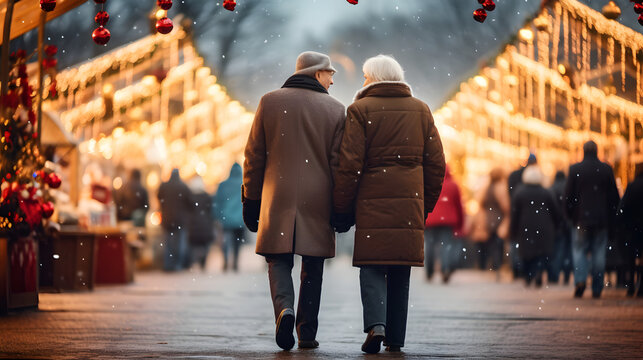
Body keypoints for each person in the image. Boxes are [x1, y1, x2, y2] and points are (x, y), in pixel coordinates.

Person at [332, 55, 445, 354]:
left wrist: (342, 208)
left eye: (365, 77)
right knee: (400, 269)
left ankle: (376, 325)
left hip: (372, 202)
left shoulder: (359, 110)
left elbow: (350, 164)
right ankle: (396, 337)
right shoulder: (421, 110)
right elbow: (436, 165)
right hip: (409, 205)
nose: (363, 82)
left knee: (371, 267)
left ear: (372, 78)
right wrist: (425, 205)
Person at [242, 51, 345, 350]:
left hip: (278, 194)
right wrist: (342, 206)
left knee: (278, 259)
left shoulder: (269, 102)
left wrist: (251, 198)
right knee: (313, 266)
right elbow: (339, 163)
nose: (333, 80)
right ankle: (307, 331)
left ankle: (284, 309)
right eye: (330, 74)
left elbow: (254, 156)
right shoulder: (336, 110)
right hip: (319, 196)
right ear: (316, 73)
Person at [564, 140, 620, 298]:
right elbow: (613, 198)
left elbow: (568, 196)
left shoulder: (575, 169)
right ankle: (597, 286)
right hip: (601, 219)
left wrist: (570, 215)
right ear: (597, 151)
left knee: (579, 250)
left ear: (583, 151)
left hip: (581, 218)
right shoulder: (606, 170)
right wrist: (612, 217)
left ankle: (580, 280)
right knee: (599, 252)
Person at [510, 166, 560, 287]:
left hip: (525, 226)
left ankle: (528, 275)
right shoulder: (546, 192)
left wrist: (513, 229)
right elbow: (555, 211)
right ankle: (538, 273)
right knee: (540, 253)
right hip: (543, 226)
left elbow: (515, 213)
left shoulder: (519, 193)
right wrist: (556, 225)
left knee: (526, 253)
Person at [424, 164, 464, 283]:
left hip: (430, 220)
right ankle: (445, 269)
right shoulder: (453, 185)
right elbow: (459, 206)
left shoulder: (429, 183)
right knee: (445, 246)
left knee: (429, 245)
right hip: (447, 221)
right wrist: (460, 224)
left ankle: (429, 271)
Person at [470, 167, 510, 273]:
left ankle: (489, 265)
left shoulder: (486, 188)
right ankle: (497, 265)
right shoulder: (501, 188)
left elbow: (480, 202)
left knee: (490, 243)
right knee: (498, 243)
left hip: (487, 219)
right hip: (498, 219)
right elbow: (506, 206)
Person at [507, 153, 537, 278]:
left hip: (517, 212)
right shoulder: (535, 178)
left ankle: (516, 267)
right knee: (527, 242)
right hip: (530, 215)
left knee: (515, 240)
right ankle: (525, 269)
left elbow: (509, 192)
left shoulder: (514, 176)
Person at [157, 168, 193, 271]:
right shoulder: (183, 187)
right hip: (180, 220)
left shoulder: (164, 186)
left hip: (167, 219)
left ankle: (167, 264)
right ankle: (178, 264)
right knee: (180, 243)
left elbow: (159, 197)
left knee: (167, 242)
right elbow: (191, 202)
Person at [212, 163, 245, 272]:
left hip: (226, 218)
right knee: (237, 242)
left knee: (225, 241)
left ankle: (226, 260)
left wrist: (217, 216)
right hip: (240, 219)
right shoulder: (244, 184)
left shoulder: (223, 185)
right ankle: (235, 262)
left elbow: (217, 202)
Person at [617, 162, 643, 297]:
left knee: (631, 257)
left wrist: (622, 222)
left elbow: (623, 206)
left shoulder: (632, 186)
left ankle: (631, 286)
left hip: (633, 227)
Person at [548, 170, 573, 284]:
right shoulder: (568, 188)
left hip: (557, 225)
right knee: (569, 250)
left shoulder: (551, 189)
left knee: (558, 250)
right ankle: (567, 275)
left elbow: (551, 209)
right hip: (569, 223)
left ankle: (554, 275)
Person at [187, 176, 214, 270]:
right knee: (205, 244)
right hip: (205, 224)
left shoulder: (189, 197)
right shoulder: (207, 196)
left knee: (193, 245)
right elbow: (210, 210)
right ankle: (203, 262)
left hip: (193, 224)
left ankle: (193, 261)